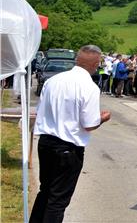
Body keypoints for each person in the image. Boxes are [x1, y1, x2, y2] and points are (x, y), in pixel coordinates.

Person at [31, 45, 111, 223]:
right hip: (67, 147)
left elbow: (41, 110)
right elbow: (89, 124)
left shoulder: (54, 81)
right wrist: (103, 117)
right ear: (96, 64)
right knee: (57, 201)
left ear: (77, 60)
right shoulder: (89, 87)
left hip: (46, 142)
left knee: (46, 191)